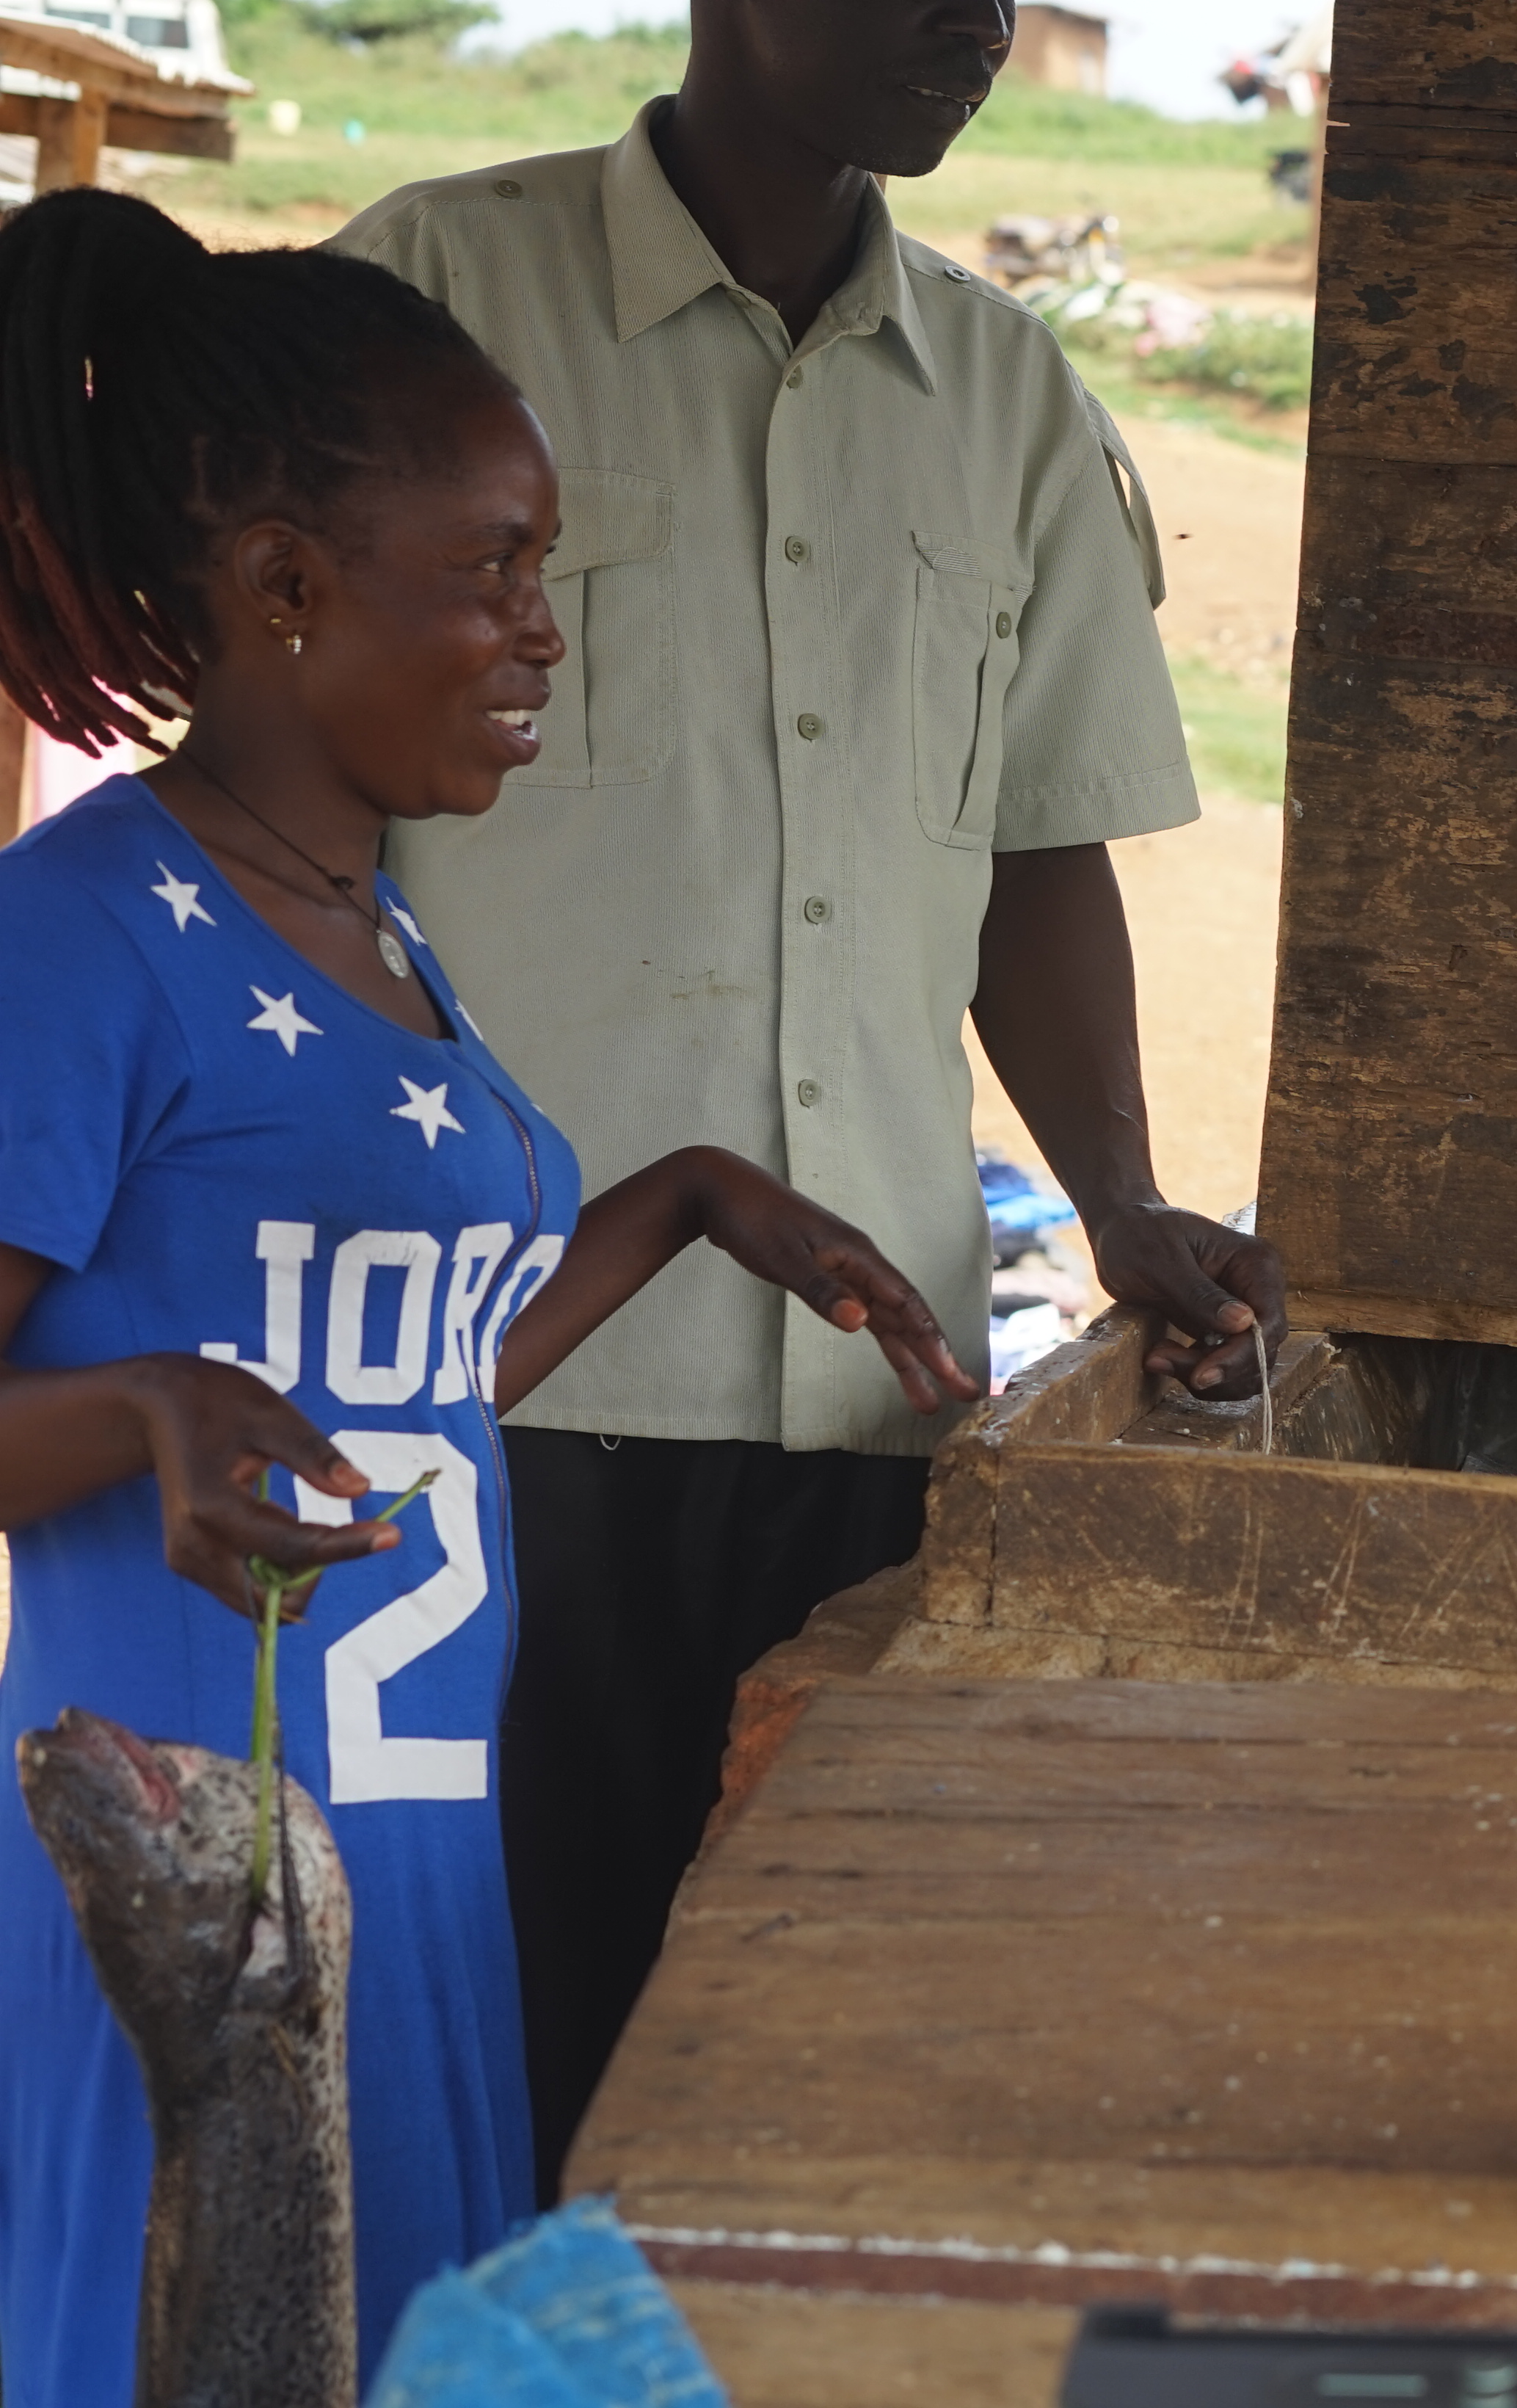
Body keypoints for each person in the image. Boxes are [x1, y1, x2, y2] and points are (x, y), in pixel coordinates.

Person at [329, 0, 1288, 2187]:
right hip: (498, 1392)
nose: (980, 16)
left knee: (783, 2066)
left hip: (874, 1401)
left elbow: (1046, 847)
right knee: (482, 2057)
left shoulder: (1002, 397)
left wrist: (1113, 1199)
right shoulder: (436, 303)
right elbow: (257, 760)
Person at [0, 189, 979, 2393]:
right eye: (498, 577)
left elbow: (406, 1404)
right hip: (194, 1920)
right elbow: (199, 1406)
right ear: (283, 591)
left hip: (420, 1892)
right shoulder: (77, 939)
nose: (548, 635)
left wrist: (695, 1198)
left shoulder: (382, 940)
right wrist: (149, 1408)